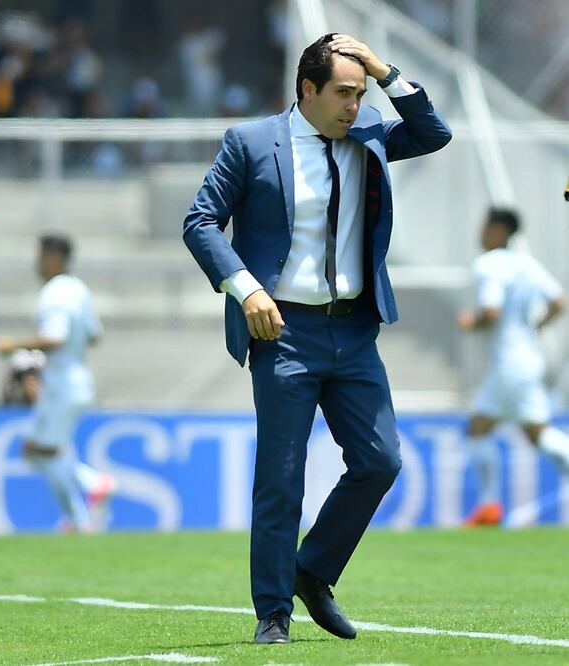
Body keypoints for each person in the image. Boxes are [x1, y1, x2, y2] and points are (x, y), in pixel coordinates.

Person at [183, 33, 451, 643]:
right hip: (284, 331)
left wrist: (385, 71)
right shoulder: (249, 142)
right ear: (307, 90)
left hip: (355, 329)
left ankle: (312, 569)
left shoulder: (372, 135)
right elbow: (200, 222)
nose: (355, 105)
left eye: (361, 93)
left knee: (381, 461)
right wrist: (245, 287)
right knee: (282, 475)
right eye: (343, 93)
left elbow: (434, 133)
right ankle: (272, 614)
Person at [0, 235, 115, 533]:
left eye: (40, 255)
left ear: (52, 257)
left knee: (38, 450)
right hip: (79, 380)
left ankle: (89, 490)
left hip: (60, 384)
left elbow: (55, 338)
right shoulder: (78, 289)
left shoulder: (54, 293)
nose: (36, 261)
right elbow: (94, 334)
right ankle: (78, 516)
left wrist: (14, 345)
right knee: (46, 450)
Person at [459, 208, 568, 526]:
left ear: (498, 230)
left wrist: (470, 322)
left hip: (509, 363)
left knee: (497, 429)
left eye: (485, 226)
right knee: (515, 430)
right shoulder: (526, 264)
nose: (481, 233)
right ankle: (489, 507)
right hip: (526, 358)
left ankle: (489, 505)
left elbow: (491, 311)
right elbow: (559, 301)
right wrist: (536, 327)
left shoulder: (489, 265)